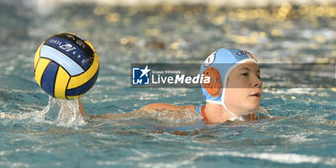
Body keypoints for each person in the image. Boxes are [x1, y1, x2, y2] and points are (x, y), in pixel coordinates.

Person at [77, 48, 273, 124]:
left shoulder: (267, 123)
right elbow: (90, 123)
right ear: (215, 85)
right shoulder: (173, 118)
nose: (257, 81)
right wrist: (71, 96)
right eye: (245, 74)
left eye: (257, 74)